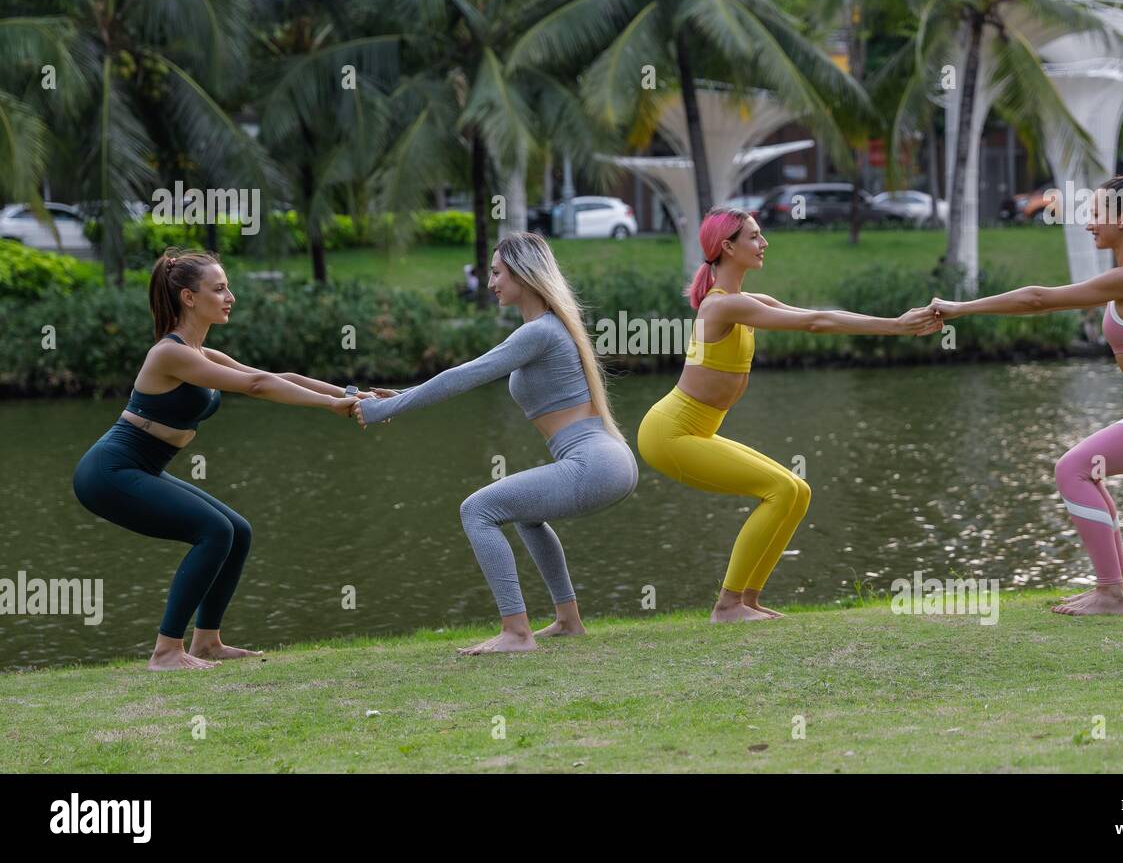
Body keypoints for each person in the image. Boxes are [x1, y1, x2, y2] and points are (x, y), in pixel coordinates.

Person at [928, 176, 1123, 616]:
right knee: (1088, 470)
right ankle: (1117, 588)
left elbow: (1038, 300)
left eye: (1098, 211)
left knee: (1073, 468)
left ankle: (1109, 594)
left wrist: (959, 308)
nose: (1089, 222)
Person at [636, 208, 942, 623]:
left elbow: (818, 314)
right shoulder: (723, 307)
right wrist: (895, 326)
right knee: (780, 490)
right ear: (728, 247)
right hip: (670, 434)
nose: (764, 244)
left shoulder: (746, 301)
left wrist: (895, 325)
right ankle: (726, 606)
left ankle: (747, 600)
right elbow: (815, 324)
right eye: (754, 237)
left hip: (694, 431)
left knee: (797, 490)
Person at [72, 249, 363, 671]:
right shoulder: (169, 353)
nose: (231, 297)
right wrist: (328, 406)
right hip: (108, 472)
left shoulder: (199, 351)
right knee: (212, 530)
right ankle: (166, 652)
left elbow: (276, 377)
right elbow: (258, 386)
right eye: (220, 289)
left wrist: (351, 393)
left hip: (141, 468)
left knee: (237, 531)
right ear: (189, 297)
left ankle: (207, 642)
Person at [355, 232, 638, 655]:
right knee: (525, 516)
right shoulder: (549, 327)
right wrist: (397, 398)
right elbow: (458, 377)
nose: (490, 283)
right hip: (610, 462)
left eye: (497, 272)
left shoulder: (539, 332)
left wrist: (386, 411)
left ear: (524, 274)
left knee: (479, 509)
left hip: (595, 464)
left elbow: (461, 377)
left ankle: (516, 633)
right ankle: (567, 620)